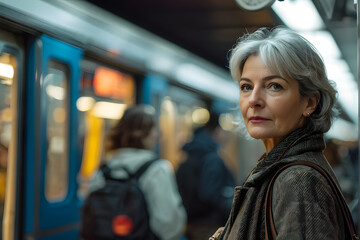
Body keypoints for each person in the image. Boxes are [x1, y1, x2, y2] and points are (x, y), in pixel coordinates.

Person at [211, 26, 353, 239]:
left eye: (274, 86)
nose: (254, 100)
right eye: (246, 87)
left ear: (310, 102)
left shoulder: (299, 181)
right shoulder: (277, 168)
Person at [88, 105, 187, 240]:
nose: (158, 135)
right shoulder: (156, 169)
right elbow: (168, 225)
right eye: (154, 129)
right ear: (145, 134)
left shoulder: (104, 169)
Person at [176, 111, 236, 240]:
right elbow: (210, 193)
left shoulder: (189, 156)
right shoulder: (212, 159)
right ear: (216, 131)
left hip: (190, 224)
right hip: (210, 226)